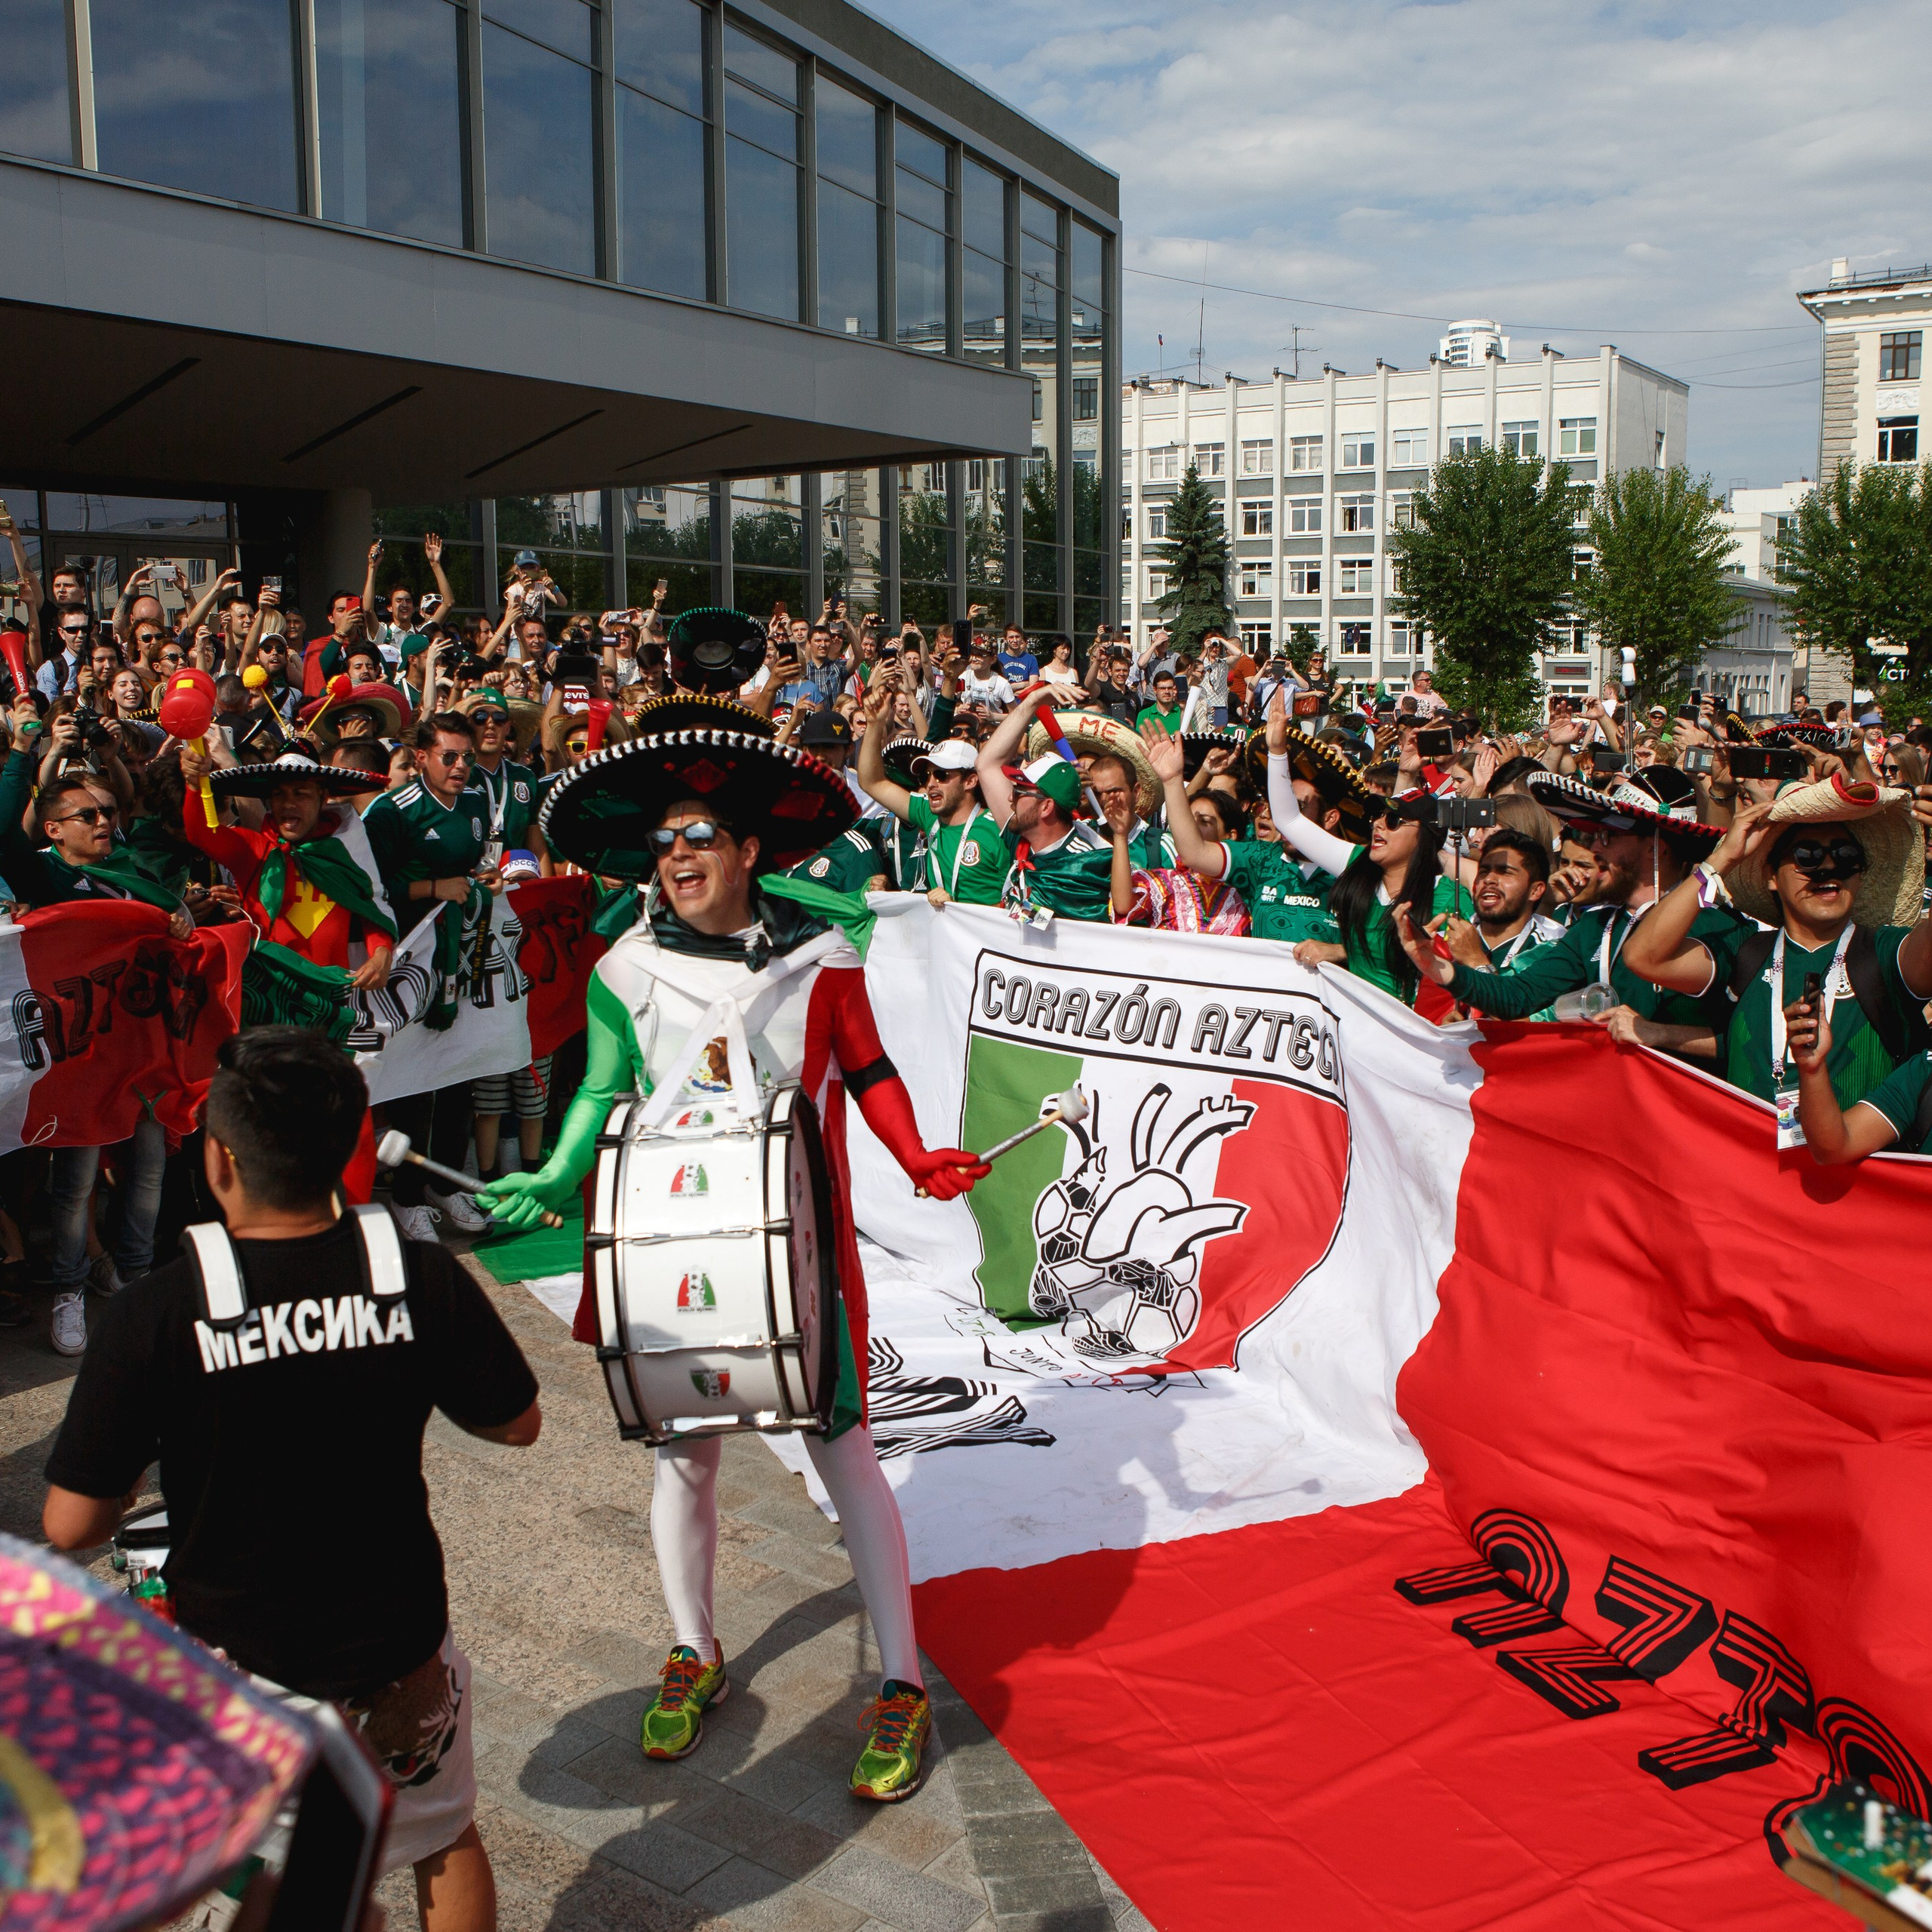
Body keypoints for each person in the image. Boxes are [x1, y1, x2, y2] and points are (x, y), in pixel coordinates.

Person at [477, 731, 987, 1801]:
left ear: (750, 849)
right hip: (679, 1240)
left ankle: (901, 1682)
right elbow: (596, 1090)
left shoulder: (824, 955)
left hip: (795, 1234)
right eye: (663, 842)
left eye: (700, 836)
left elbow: (869, 1065)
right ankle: (695, 1649)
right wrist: (556, 1171)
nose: (676, 855)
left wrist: (916, 1154)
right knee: (685, 1452)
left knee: (844, 1449)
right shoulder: (624, 969)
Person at [42, 1027, 540, 1932]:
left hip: (243, 1666)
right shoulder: (414, 1272)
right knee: (442, 1838)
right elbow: (518, 1423)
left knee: (281, 1872)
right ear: (348, 1145)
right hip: (401, 1647)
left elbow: (72, 1525)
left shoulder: (161, 1306)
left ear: (218, 1161)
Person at [1621, 776, 1931, 1128]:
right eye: (1808, 855)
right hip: (1749, 1170)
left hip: (1857, 1177)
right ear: (1771, 876)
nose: (1828, 868)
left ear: (1860, 875)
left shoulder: (1885, 952)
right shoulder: (1748, 951)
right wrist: (1720, 860)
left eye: (1846, 856)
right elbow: (1644, 957)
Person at [1395, 766, 1740, 1051]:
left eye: (1608, 836)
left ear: (1655, 848)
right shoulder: (1595, 927)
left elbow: (1753, 1047)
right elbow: (1518, 997)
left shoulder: (1716, 927)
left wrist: (1661, 1034)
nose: (1596, 849)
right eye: (1595, 836)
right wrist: (1440, 967)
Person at [363, 713, 499, 1243]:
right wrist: (433, 887)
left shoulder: (474, 801)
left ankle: (443, 1180)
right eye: (450, 756)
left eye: (467, 756)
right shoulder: (391, 811)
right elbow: (371, 887)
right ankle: (405, 1196)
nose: (462, 766)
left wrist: (480, 880)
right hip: (408, 964)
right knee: (415, 1082)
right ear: (421, 757)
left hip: (460, 953)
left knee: (460, 1069)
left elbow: (472, 866)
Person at [1251, 692, 1462, 1003]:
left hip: (1415, 1038)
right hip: (1352, 1035)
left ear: (1425, 836)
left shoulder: (1450, 898)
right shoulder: (1360, 865)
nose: (1377, 824)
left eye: (1392, 822)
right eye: (1378, 816)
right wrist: (1278, 750)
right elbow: (1288, 819)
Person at [856, 694, 1006, 907]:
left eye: (942, 775)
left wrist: (958, 908)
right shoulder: (928, 814)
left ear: (970, 781)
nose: (931, 784)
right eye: (928, 776)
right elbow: (872, 782)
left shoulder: (999, 829)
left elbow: (1015, 905)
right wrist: (874, 724)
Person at [975, 700, 1116, 921]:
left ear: (1046, 807)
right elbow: (986, 765)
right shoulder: (1023, 839)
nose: (1011, 798)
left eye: (1021, 793)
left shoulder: (1084, 865)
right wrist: (1032, 702)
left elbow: (1055, 930)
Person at [1106, 764, 1250, 935]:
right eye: (1189, 819)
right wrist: (1121, 835)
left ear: (1230, 835)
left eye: (1204, 821)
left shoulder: (1249, 888)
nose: (1192, 827)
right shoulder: (1167, 883)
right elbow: (1123, 905)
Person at [1136, 668, 1185, 737]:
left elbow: (1191, 738)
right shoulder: (1144, 715)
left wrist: (1183, 710)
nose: (1167, 692)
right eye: (1162, 688)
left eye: (1170, 688)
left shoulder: (1182, 712)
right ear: (1155, 690)